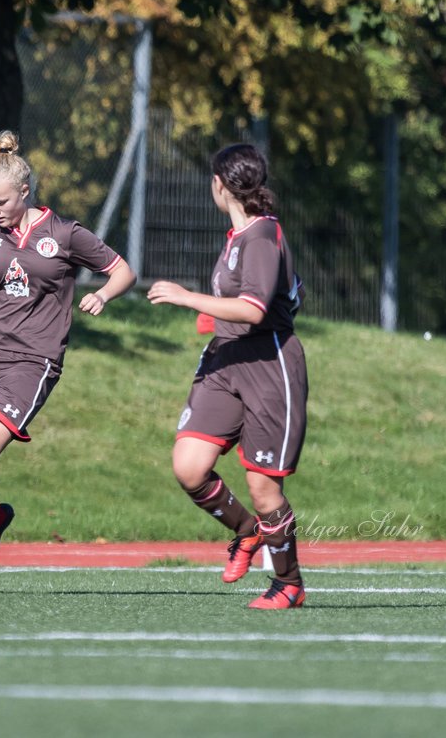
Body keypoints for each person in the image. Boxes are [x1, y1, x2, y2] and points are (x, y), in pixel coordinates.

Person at [0, 130, 136, 588]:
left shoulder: (65, 233)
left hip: (32, 362)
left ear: (24, 191)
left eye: (0, 203)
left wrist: (104, 296)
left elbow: (121, 270)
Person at [146, 143, 309, 609]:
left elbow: (254, 309)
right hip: (225, 360)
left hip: (267, 366)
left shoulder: (261, 235)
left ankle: (289, 583)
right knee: (189, 466)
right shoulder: (239, 236)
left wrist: (186, 297)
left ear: (219, 185)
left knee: (263, 486)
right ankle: (245, 530)